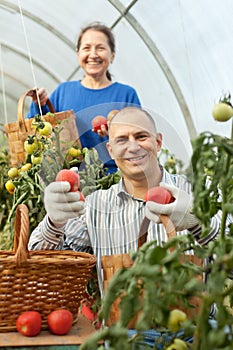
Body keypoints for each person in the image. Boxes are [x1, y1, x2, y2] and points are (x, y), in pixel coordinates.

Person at [28, 107, 224, 347]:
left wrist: (197, 223)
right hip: (125, 341)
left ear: (158, 142)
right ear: (110, 150)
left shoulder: (196, 194)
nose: (132, 147)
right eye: (122, 140)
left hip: (196, 336)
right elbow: (41, 268)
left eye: (141, 137)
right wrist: (54, 222)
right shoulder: (95, 207)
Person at [26, 22, 141, 173]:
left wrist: (116, 135)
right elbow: (37, 132)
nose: (93, 54)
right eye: (86, 48)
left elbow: (139, 140)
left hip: (115, 178)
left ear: (112, 55)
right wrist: (38, 104)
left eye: (100, 48)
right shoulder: (63, 91)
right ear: (78, 54)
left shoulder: (126, 94)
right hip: (71, 179)